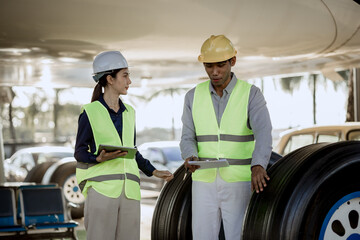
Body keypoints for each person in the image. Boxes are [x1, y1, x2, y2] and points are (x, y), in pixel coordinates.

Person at [180, 35, 273, 240]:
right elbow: (187, 136)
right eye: (209, 66)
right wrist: (190, 156)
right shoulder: (192, 96)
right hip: (203, 181)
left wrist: (259, 164)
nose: (214, 72)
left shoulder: (251, 94)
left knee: (237, 236)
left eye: (220, 65)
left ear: (232, 62)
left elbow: (264, 133)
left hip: (239, 181)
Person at [74, 51, 174, 240]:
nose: (129, 81)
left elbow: (132, 151)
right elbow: (79, 151)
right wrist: (97, 158)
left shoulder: (130, 113)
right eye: (125, 75)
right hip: (102, 191)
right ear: (110, 79)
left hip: (130, 192)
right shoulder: (90, 112)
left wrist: (154, 171)